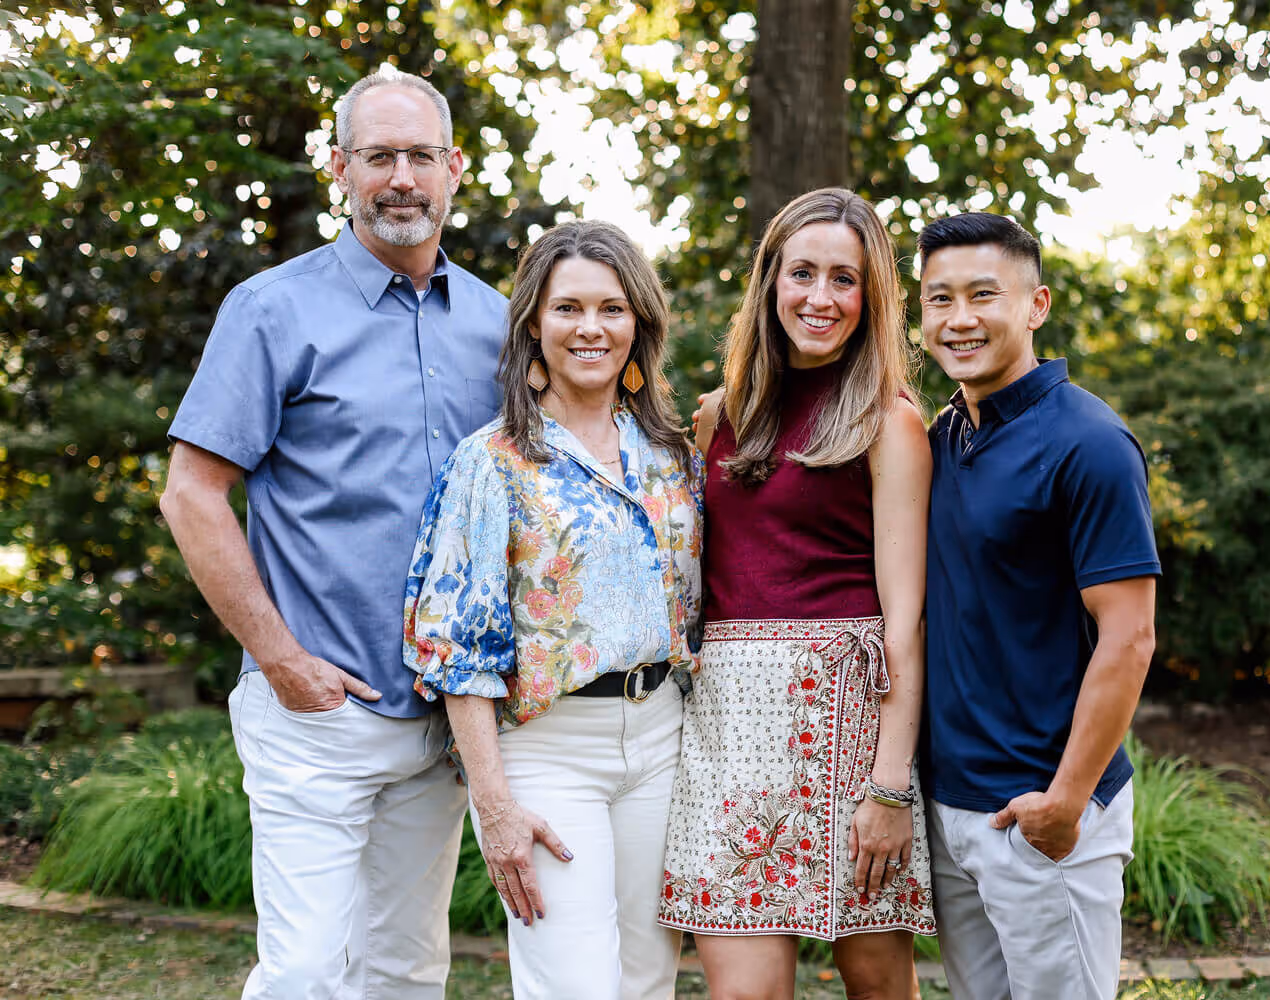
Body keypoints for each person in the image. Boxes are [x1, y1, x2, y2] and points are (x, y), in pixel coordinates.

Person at [158, 69, 508, 998]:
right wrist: (279, 660)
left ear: (454, 169)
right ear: (340, 168)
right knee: (308, 971)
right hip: (316, 709)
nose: (402, 177)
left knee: (406, 969)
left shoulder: (499, 324)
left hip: (441, 715)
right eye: (379, 156)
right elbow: (192, 493)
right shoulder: (273, 309)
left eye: (420, 156)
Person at [403, 219, 702, 1000]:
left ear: (639, 323)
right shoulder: (493, 460)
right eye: (568, 308)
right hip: (549, 747)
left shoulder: (673, 454)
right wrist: (493, 804)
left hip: (664, 738)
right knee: (573, 982)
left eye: (612, 308)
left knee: (647, 978)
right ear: (534, 324)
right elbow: (456, 647)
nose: (591, 328)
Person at [660, 187, 935, 1000]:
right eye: (802, 273)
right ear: (770, 281)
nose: (820, 298)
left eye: (844, 280)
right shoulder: (719, 416)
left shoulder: (890, 421)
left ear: (871, 296)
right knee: (744, 992)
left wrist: (888, 788)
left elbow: (905, 623)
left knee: (877, 981)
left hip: (844, 726)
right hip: (724, 728)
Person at [916, 212, 1159, 1000]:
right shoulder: (944, 435)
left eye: (982, 294)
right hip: (956, 808)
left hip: (1044, 812)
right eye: (938, 298)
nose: (959, 318)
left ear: (1036, 304)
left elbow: (1129, 637)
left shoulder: (1088, 442)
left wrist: (1066, 801)